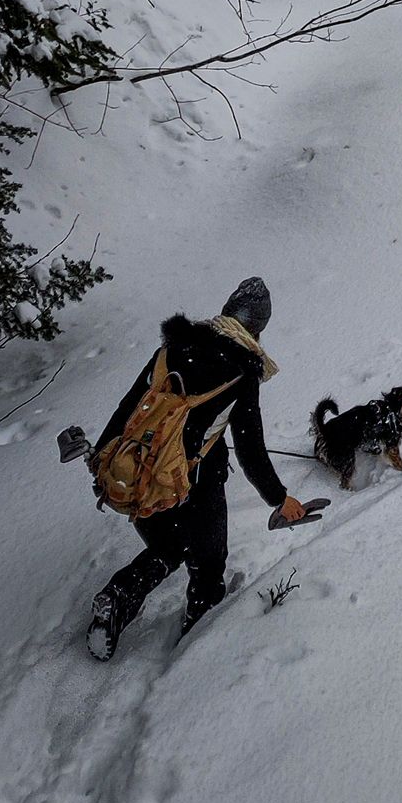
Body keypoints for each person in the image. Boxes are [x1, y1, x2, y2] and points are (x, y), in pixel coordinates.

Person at [84, 276, 307, 659]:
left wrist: (103, 458)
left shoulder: (177, 345)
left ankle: (117, 599)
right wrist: (279, 498)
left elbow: (131, 405)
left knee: (168, 544)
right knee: (208, 564)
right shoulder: (242, 369)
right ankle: (197, 651)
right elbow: (250, 450)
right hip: (192, 478)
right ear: (258, 328)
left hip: (138, 469)